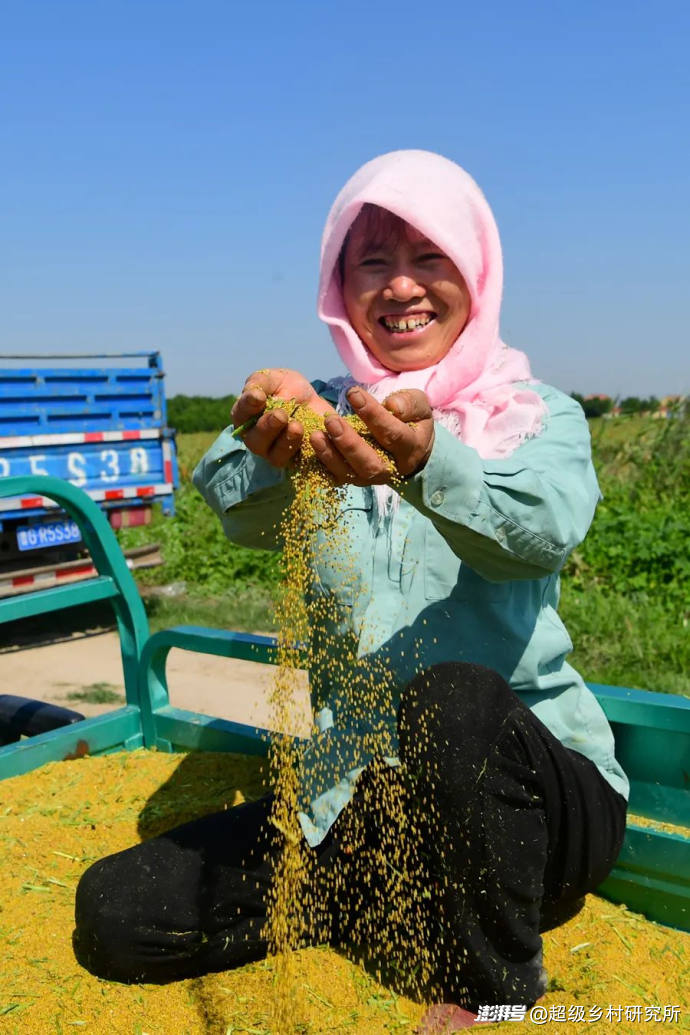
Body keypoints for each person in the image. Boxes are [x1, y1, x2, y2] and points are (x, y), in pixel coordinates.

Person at [73, 150, 628, 1020]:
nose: (400, 286)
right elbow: (228, 496)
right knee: (116, 915)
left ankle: (495, 985)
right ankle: (382, 905)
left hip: (535, 809)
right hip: (368, 800)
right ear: (340, 288)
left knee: (451, 700)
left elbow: (544, 531)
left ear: (474, 272)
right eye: (373, 261)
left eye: (428, 256)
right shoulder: (325, 413)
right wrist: (276, 446)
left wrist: (427, 462)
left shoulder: (532, 412)